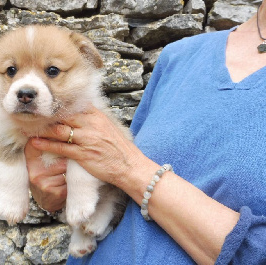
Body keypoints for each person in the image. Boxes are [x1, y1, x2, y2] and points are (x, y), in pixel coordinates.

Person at [24, 3, 266, 264]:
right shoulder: (180, 55)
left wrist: (131, 170)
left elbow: (124, 164)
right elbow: (114, 183)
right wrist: (53, 187)